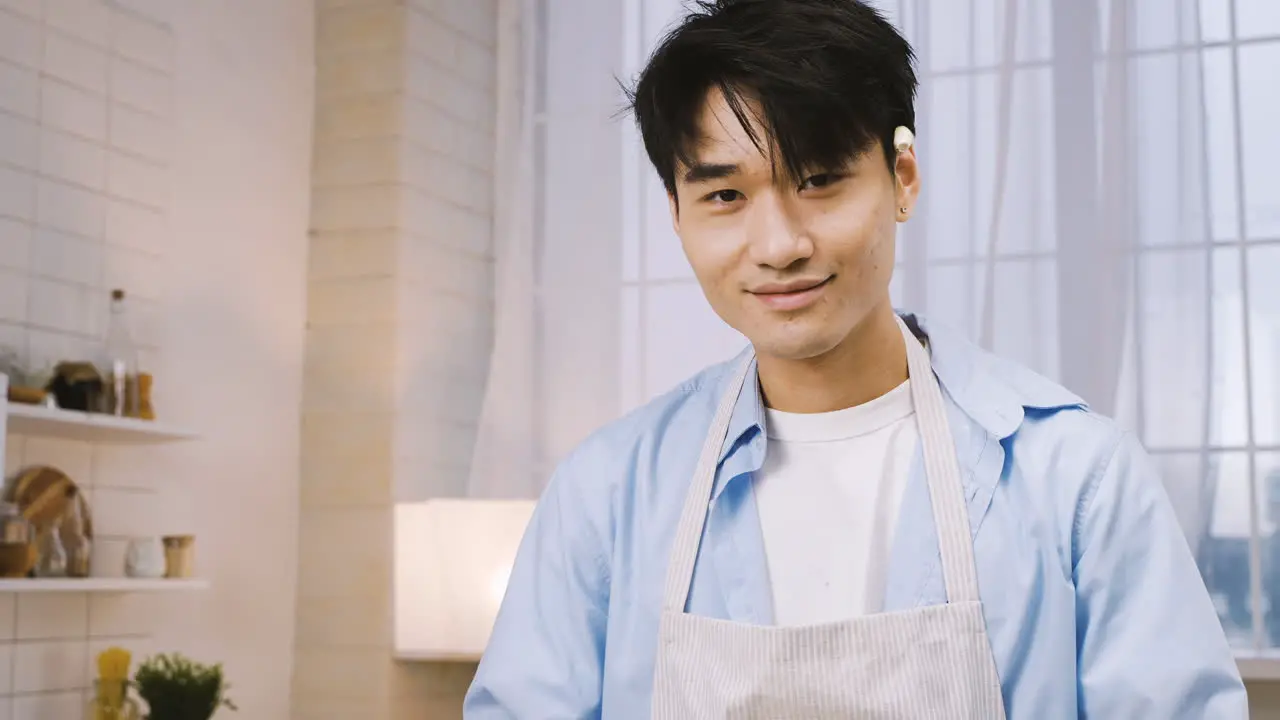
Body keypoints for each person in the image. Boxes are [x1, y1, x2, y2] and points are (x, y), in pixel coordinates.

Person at [464, 0, 1248, 717]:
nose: (779, 247)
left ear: (902, 177)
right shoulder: (607, 496)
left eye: (820, 180)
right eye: (725, 197)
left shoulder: (1075, 481)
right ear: (676, 211)